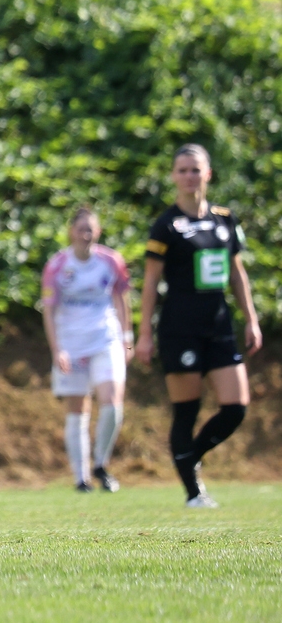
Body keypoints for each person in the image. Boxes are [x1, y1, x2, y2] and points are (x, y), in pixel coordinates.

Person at [135, 144, 261, 508]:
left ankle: (191, 457)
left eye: (195, 170)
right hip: (179, 327)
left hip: (219, 323)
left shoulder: (224, 218)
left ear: (207, 174)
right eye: (182, 170)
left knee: (235, 407)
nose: (189, 176)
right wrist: (144, 335)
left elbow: (237, 274)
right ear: (174, 176)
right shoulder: (167, 224)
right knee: (186, 410)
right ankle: (193, 492)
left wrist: (251, 319)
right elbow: (150, 283)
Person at [42, 208, 131, 493]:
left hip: (105, 339)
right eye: (80, 229)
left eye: (90, 229)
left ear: (98, 232)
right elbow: (49, 310)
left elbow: (122, 298)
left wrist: (127, 337)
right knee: (77, 409)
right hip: (71, 343)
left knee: (112, 401)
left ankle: (100, 463)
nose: (85, 235)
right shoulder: (57, 265)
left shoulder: (110, 261)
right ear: (71, 232)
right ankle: (81, 478)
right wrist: (57, 350)